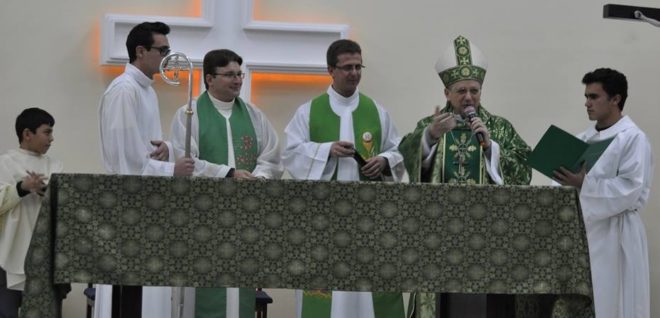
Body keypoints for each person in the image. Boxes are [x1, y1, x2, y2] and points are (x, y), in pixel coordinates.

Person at [398, 35, 531, 317]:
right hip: (438, 234)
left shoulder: (499, 127)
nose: (469, 97)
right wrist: (429, 139)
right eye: (461, 91)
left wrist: (490, 147)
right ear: (447, 93)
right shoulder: (430, 126)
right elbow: (405, 161)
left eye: (474, 90)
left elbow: (523, 172)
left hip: (488, 236)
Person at [283, 39, 405, 318]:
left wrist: (384, 161)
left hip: (370, 222)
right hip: (324, 222)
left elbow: (398, 150)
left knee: (369, 296)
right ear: (331, 70)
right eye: (347, 67)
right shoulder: (308, 111)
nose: (354, 73)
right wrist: (327, 150)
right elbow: (290, 154)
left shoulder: (377, 111)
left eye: (358, 66)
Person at [170, 48, 283, 318]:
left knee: (238, 294)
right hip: (203, 219)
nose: (237, 80)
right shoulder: (189, 113)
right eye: (229, 75)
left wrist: (260, 178)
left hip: (244, 219)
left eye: (239, 74)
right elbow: (186, 161)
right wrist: (229, 174)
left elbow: (273, 157)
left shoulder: (254, 115)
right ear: (209, 78)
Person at [98, 21, 194, 318]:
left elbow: (141, 147)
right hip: (128, 208)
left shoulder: (146, 91)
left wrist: (165, 146)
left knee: (150, 297)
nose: (167, 56)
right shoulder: (124, 91)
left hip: (149, 205)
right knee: (130, 299)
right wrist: (171, 171)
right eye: (162, 50)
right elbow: (125, 160)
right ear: (141, 51)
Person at [553, 68, 653, 318]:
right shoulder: (582, 139)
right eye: (586, 96)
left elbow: (630, 189)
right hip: (581, 234)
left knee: (614, 304)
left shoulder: (632, 139)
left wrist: (584, 185)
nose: (587, 103)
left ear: (616, 99)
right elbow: (563, 186)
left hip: (616, 235)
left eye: (594, 97)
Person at [0, 108, 63, 318]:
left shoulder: (54, 166)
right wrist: (22, 188)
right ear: (27, 134)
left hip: (44, 255)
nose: (51, 138)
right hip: (9, 252)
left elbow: (66, 203)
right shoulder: (4, 163)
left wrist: (45, 190)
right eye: (47, 132)